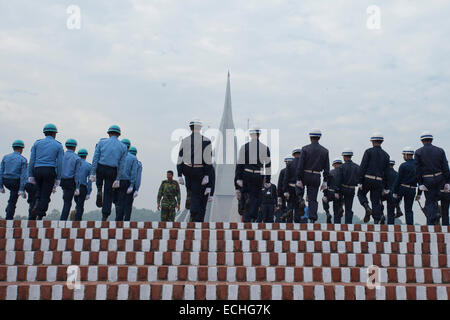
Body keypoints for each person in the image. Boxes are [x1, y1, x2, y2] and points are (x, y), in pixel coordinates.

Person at [177, 118, 213, 222]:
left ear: (190, 128)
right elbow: (208, 159)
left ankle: (193, 210)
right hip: (199, 171)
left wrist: (179, 174)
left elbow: (180, 158)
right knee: (197, 194)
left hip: (187, 170)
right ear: (200, 128)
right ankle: (194, 213)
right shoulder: (206, 141)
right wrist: (207, 175)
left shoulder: (185, 140)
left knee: (192, 192)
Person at [90, 125, 128, 221]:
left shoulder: (101, 142)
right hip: (112, 170)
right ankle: (105, 215)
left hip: (101, 167)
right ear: (119, 135)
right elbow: (121, 164)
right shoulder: (123, 147)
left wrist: (92, 172)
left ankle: (99, 188)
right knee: (108, 193)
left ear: (109, 133)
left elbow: (95, 158)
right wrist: (118, 179)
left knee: (100, 180)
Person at [235, 126, 271, 223]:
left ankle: (246, 213)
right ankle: (253, 216)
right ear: (259, 135)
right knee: (256, 196)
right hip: (258, 175)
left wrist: (238, 179)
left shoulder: (244, 147)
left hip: (246, 173)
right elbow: (267, 165)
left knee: (246, 194)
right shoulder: (265, 148)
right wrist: (267, 180)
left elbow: (239, 165)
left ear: (251, 135)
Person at [28, 124, 64, 220]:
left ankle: (36, 204)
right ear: (54, 134)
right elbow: (60, 163)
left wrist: (30, 175)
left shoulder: (37, 144)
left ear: (44, 133)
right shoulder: (58, 145)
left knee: (39, 190)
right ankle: (40, 214)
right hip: (49, 170)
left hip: (37, 170)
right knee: (46, 194)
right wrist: (58, 178)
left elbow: (32, 160)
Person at [414, 131, 450, 225]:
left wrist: (420, 183)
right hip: (440, 178)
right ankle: (445, 224)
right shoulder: (440, 150)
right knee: (444, 201)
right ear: (432, 140)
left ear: (422, 141)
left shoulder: (418, 152)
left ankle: (433, 218)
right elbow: (445, 167)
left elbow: (417, 170)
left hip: (427, 179)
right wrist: (447, 181)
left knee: (430, 201)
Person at [296, 129, 330, 223]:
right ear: (319, 138)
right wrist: (325, 180)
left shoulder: (305, 149)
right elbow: (326, 168)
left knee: (299, 190)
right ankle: (312, 218)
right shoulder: (325, 151)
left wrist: (299, 178)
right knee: (313, 199)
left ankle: (300, 200)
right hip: (316, 176)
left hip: (305, 174)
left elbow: (300, 165)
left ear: (310, 137)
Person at [357, 132, 390, 224]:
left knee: (361, 194)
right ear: (381, 142)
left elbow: (363, 166)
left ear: (372, 141)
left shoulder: (368, 152)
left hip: (367, 178)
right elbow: (386, 173)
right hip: (379, 181)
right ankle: (376, 221)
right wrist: (386, 187)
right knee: (375, 201)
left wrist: (360, 181)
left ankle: (367, 207)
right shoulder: (386, 155)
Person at [0, 140, 28, 220]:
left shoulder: (5, 157)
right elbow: (23, 176)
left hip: (6, 180)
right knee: (13, 200)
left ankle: (9, 208)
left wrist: (1, 186)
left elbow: (1, 171)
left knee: (12, 198)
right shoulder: (23, 159)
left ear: (13, 148)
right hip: (15, 182)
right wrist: (22, 189)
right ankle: (9, 218)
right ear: (21, 149)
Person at [392, 147, 417, 225]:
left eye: (404, 155)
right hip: (413, 189)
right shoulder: (418, 165)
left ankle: (398, 209)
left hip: (403, 187)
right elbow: (420, 179)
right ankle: (410, 226)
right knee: (409, 209)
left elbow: (398, 179)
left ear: (406, 155)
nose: (403, 157)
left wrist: (395, 191)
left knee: (394, 200)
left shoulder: (403, 165)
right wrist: (419, 193)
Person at [334, 149, 360, 224]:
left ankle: (340, 209)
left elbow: (338, 180)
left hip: (343, 188)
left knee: (339, 205)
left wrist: (336, 191)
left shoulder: (341, 167)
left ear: (344, 157)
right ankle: (348, 224)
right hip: (351, 189)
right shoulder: (357, 167)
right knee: (349, 208)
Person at [60, 139, 81, 221]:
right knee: (67, 202)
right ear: (75, 147)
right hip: (71, 181)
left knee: (65, 198)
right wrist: (77, 187)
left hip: (62, 180)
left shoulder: (61, 156)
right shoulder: (76, 158)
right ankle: (63, 219)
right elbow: (77, 174)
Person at [115, 146, 139, 221]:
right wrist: (134, 186)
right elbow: (135, 174)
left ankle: (118, 220)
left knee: (120, 202)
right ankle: (126, 220)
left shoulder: (119, 156)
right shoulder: (134, 159)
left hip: (119, 181)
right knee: (128, 204)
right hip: (128, 182)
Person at [283, 149, 305, 222]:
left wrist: (285, 190)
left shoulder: (289, 164)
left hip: (290, 187)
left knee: (290, 205)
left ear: (293, 155)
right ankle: (297, 222)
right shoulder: (303, 164)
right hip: (300, 186)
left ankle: (289, 220)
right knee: (298, 206)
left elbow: (286, 178)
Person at [322, 158, 343, 224]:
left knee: (324, 201)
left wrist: (325, 195)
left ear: (334, 165)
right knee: (336, 210)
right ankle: (337, 224)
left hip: (329, 192)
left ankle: (327, 212)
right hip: (339, 193)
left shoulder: (330, 173)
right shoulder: (343, 173)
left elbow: (325, 184)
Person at [73, 149, 92, 221]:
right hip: (83, 187)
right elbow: (89, 181)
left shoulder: (74, 164)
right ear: (86, 156)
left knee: (77, 203)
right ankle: (77, 220)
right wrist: (89, 192)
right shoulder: (89, 166)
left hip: (74, 186)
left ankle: (76, 214)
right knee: (80, 204)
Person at [380, 160, 400, 225]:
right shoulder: (396, 174)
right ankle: (391, 226)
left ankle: (381, 214)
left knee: (377, 201)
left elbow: (382, 183)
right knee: (391, 212)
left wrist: (383, 190)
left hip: (385, 193)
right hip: (393, 194)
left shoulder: (383, 173)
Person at [276, 154, 293, 222]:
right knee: (285, 208)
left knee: (288, 208)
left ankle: (288, 221)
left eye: (288, 162)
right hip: (286, 192)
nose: (287, 163)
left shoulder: (284, 171)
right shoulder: (283, 171)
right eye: (286, 162)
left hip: (288, 192)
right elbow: (279, 184)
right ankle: (285, 221)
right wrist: (279, 195)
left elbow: (280, 184)